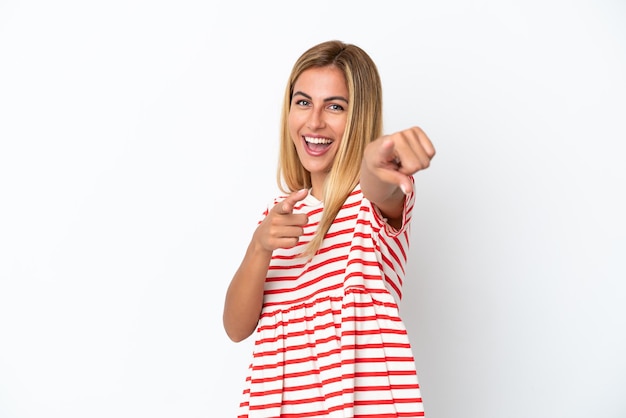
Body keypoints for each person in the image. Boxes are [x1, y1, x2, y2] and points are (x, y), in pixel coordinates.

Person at [223, 39, 435, 418]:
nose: (315, 121)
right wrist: (259, 247)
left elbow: (379, 183)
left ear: (360, 117)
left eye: (335, 107)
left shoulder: (369, 206)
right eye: (303, 102)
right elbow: (237, 328)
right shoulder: (278, 216)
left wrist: (375, 159)